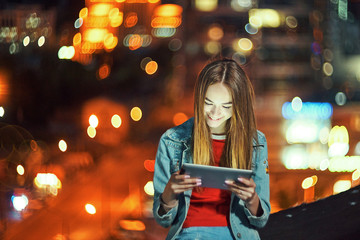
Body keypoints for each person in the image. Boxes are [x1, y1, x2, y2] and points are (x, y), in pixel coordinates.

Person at [153, 58, 270, 240]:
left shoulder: (256, 143)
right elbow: (163, 220)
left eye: (226, 106)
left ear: (239, 105)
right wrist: (169, 194)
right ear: (199, 98)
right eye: (208, 103)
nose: (215, 113)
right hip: (188, 235)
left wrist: (251, 199)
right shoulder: (172, 140)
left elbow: (260, 220)